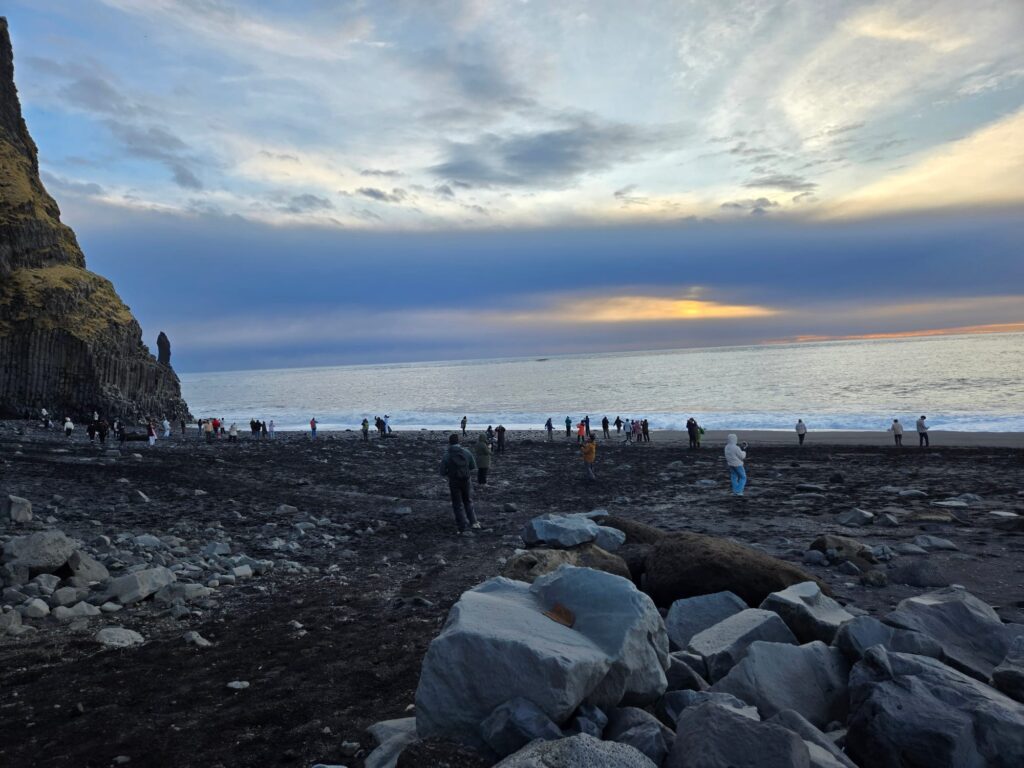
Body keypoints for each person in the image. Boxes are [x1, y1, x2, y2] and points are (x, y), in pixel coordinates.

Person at [439, 434, 480, 534]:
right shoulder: (466, 452)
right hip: (466, 479)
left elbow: (442, 472)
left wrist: (450, 473)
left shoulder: (447, 455)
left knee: (457, 504)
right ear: (459, 441)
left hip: (454, 481)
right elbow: (473, 466)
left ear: (449, 442)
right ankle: (474, 522)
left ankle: (462, 526)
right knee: (468, 501)